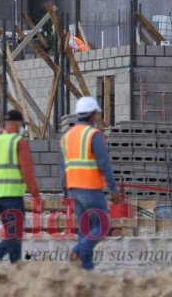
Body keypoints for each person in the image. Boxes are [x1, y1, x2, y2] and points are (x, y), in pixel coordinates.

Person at [61, 96, 122, 270]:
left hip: (73, 188)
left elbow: (63, 167)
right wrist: (114, 189)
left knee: (85, 229)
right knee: (102, 226)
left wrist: (65, 192)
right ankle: (79, 251)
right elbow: (104, 163)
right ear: (93, 115)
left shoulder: (67, 137)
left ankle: (86, 268)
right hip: (90, 187)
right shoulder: (93, 135)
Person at [0, 109, 41, 264]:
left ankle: (16, 266)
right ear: (17, 123)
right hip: (12, 196)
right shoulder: (19, 143)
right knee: (15, 235)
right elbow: (28, 172)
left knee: (13, 233)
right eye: (20, 125)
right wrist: (36, 195)